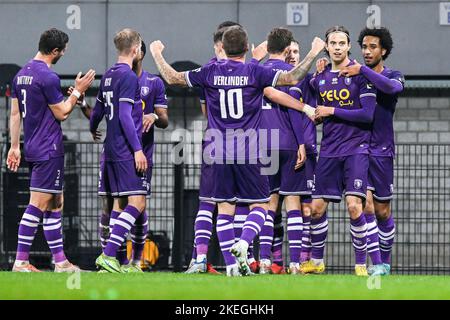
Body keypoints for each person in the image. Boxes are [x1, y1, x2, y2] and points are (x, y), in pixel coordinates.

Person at [150, 26, 325, 276]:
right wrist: (313, 52)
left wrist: (156, 53)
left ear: (223, 46)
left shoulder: (209, 71)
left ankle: (232, 267)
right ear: (246, 47)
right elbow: (293, 78)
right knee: (261, 207)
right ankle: (244, 243)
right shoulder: (254, 70)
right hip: (248, 149)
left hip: (217, 149)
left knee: (224, 208)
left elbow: (173, 78)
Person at [7, 28, 95, 272]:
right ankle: (21, 261)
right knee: (37, 203)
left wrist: (15, 146)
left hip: (32, 145)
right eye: (63, 50)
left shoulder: (20, 74)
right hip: (48, 147)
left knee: (56, 202)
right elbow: (62, 113)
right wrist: (78, 91)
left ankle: (61, 262)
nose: (63, 53)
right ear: (55, 51)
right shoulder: (47, 77)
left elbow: (15, 114)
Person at [301, 26, 377, 276]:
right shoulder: (319, 78)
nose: (337, 47)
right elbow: (315, 110)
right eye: (332, 43)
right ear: (326, 46)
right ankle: (317, 261)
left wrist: (331, 111)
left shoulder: (359, 74)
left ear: (348, 47)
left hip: (356, 148)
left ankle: (360, 264)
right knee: (316, 208)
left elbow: (367, 115)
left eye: (341, 43)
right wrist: (319, 116)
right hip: (329, 150)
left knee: (355, 206)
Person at [339, 27, 404, 275]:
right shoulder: (354, 75)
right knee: (364, 205)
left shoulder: (393, 75)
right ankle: (372, 263)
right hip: (358, 148)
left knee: (382, 211)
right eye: (364, 47)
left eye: (372, 47)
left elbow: (392, 89)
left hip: (383, 151)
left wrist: (362, 70)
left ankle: (385, 263)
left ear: (383, 50)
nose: (366, 51)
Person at [93, 28, 148, 273]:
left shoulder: (107, 76)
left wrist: (93, 127)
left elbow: (97, 112)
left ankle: (112, 262)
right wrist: (137, 149)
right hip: (126, 149)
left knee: (119, 203)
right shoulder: (129, 77)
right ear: (135, 50)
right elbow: (125, 115)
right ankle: (108, 254)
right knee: (138, 202)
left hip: (110, 150)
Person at [258, 28, 308, 275]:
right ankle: (296, 263)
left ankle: (265, 261)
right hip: (288, 143)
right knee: (293, 203)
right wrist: (301, 143)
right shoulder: (289, 76)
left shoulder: (255, 71)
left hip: (264, 143)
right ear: (288, 50)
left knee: (269, 205)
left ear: (267, 48)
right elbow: (294, 112)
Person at [287, 39, 318, 269]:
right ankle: (276, 261)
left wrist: (322, 67)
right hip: (279, 150)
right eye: (288, 51)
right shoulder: (273, 78)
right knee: (273, 207)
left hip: (306, 150)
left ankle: (304, 260)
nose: (292, 55)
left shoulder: (309, 79)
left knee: (307, 208)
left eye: (296, 51)